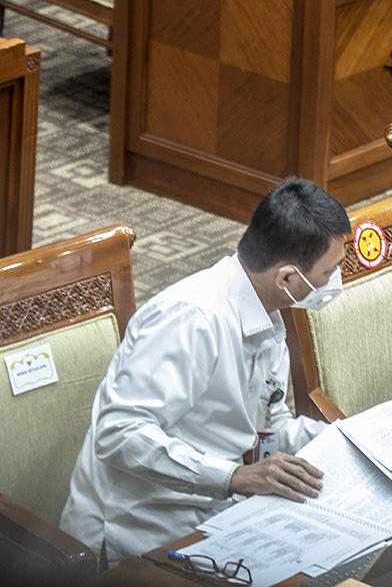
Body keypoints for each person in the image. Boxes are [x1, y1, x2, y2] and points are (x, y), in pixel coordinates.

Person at [60, 177, 352, 567]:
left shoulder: (268, 315)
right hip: (134, 532)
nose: (334, 281)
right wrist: (234, 477)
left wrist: (351, 440)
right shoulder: (191, 319)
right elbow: (118, 434)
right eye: (330, 271)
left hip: (214, 512)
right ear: (286, 278)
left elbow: (269, 425)